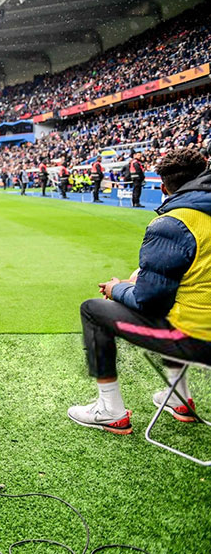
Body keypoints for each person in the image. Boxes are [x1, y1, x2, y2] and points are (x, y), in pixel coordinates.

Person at [68, 147, 211, 434]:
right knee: (176, 301)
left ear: (163, 186)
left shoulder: (174, 223)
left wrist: (117, 288)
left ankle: (110, 410)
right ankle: (176, 396)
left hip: (197, 340)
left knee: (93, 311)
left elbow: (148, 302)